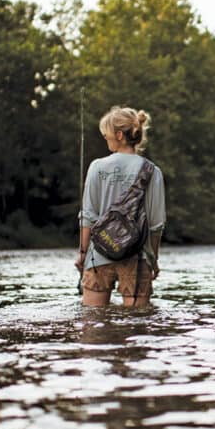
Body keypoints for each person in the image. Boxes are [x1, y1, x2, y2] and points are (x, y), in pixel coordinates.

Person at [75, 106, 166, 306]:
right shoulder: (153, 171)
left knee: (93, 326)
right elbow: (156, 224)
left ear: (118, 135)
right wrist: (153, 259)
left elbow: (88, 215)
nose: (105, 138)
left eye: (106, 134)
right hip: (138, 256)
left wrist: (83, 253)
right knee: (137, 327)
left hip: (98, 254)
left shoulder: (97, 166)